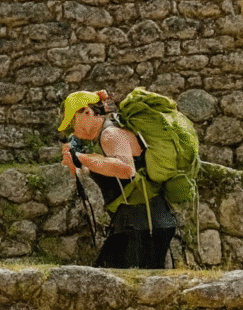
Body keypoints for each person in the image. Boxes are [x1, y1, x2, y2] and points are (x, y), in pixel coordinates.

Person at [58, 90, 178, 269]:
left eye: (73, 122)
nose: (73, 129)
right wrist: (73, 163)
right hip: (134, 224)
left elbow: (126, 169)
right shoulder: (100, 139)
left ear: (87, 112)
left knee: (111, 283)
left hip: (145, 224)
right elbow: (101, 169)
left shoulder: (111, 134)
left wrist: (81, 158)